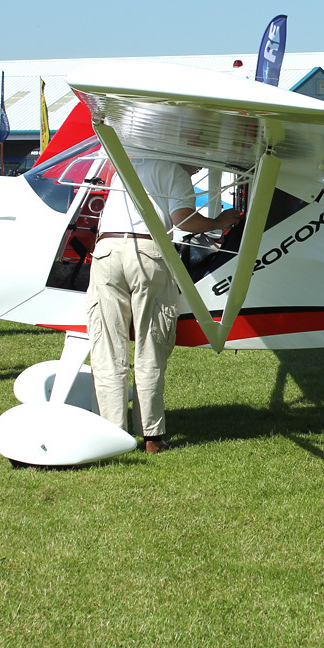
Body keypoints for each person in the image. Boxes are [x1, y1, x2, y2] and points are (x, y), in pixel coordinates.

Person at [87, 158, 241, 452]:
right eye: (197, 164)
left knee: (107, 345)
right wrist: (219, 222)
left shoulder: (128, 164)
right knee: (151, 343)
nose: (197, 169)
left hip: (106, 250)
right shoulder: (174, 172)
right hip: (148, 252)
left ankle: (110, 433)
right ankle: (152, 437)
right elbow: (184, 220)